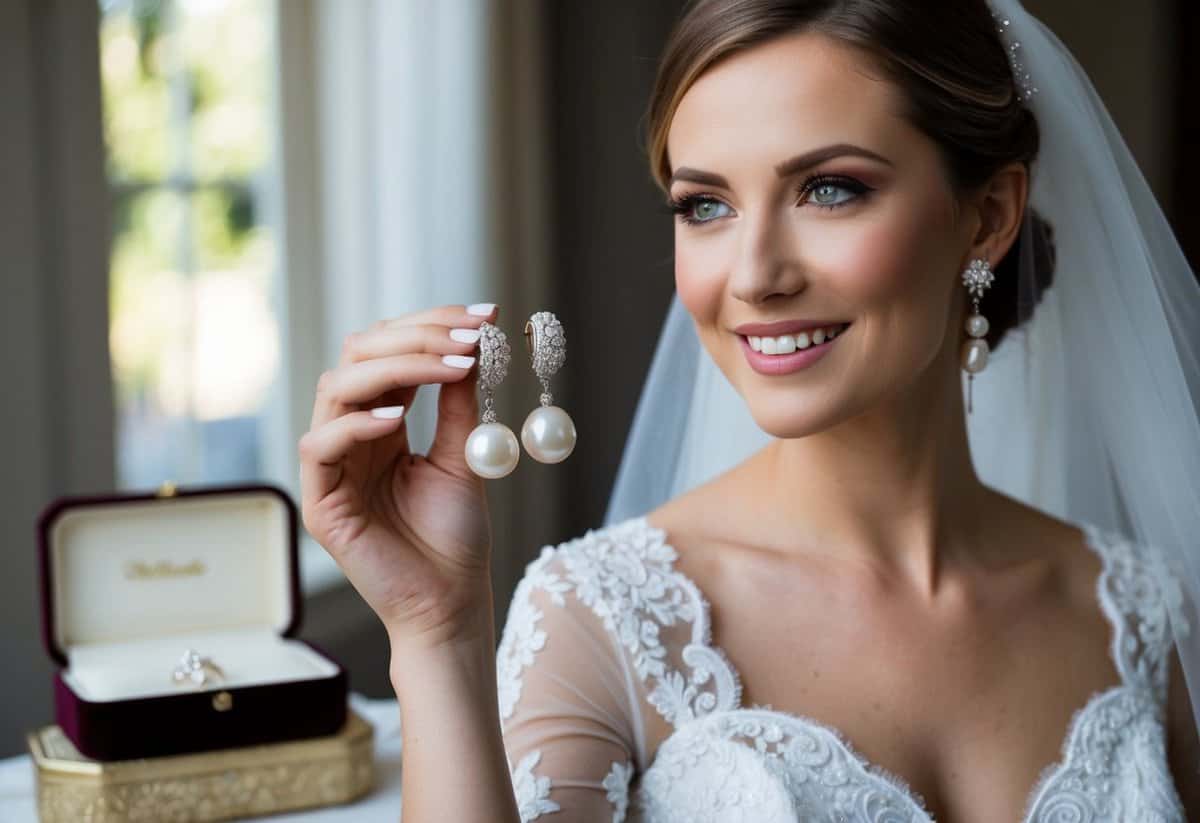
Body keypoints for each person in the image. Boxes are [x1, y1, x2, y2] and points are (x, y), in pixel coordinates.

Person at [298, 0, 1200, 820]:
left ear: (989, 215)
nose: (756, 276)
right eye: (706, 205)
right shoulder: (604, 619)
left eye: (830, 188)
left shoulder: (1144, 612)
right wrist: (437, 637)